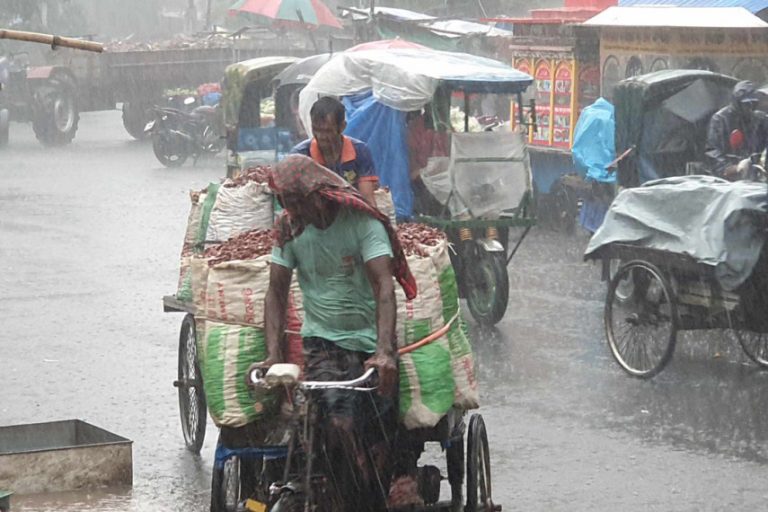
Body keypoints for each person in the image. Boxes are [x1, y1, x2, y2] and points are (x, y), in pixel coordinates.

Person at [259, 155, 417, 511]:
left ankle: (388, 483)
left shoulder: (362, 223)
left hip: (370, 342)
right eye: (286, 204)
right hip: (323, 345)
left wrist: (383, 350)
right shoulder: (289, 230)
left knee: (379, 421)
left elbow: (383, 287)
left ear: (319, 194)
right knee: (336, 420)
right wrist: (273, 354)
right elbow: (276, 291)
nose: (293, 211)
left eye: (298, 202)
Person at [290, 96, 379, 204]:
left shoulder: (360, 151)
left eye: (327, 131)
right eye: (316, 130)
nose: (321, 136)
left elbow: (367, 197)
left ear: (342, 127)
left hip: (352, 212)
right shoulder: (300, 155)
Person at [705, 80, 768, 180]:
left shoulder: (760, 119)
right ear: (737, 102)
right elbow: (713, 151)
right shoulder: (721, 119)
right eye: (746, 104)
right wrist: (732, 168)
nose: (750, 107)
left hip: (756, 174)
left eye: (753, 103)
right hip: (728, 179)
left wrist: (760, 161)